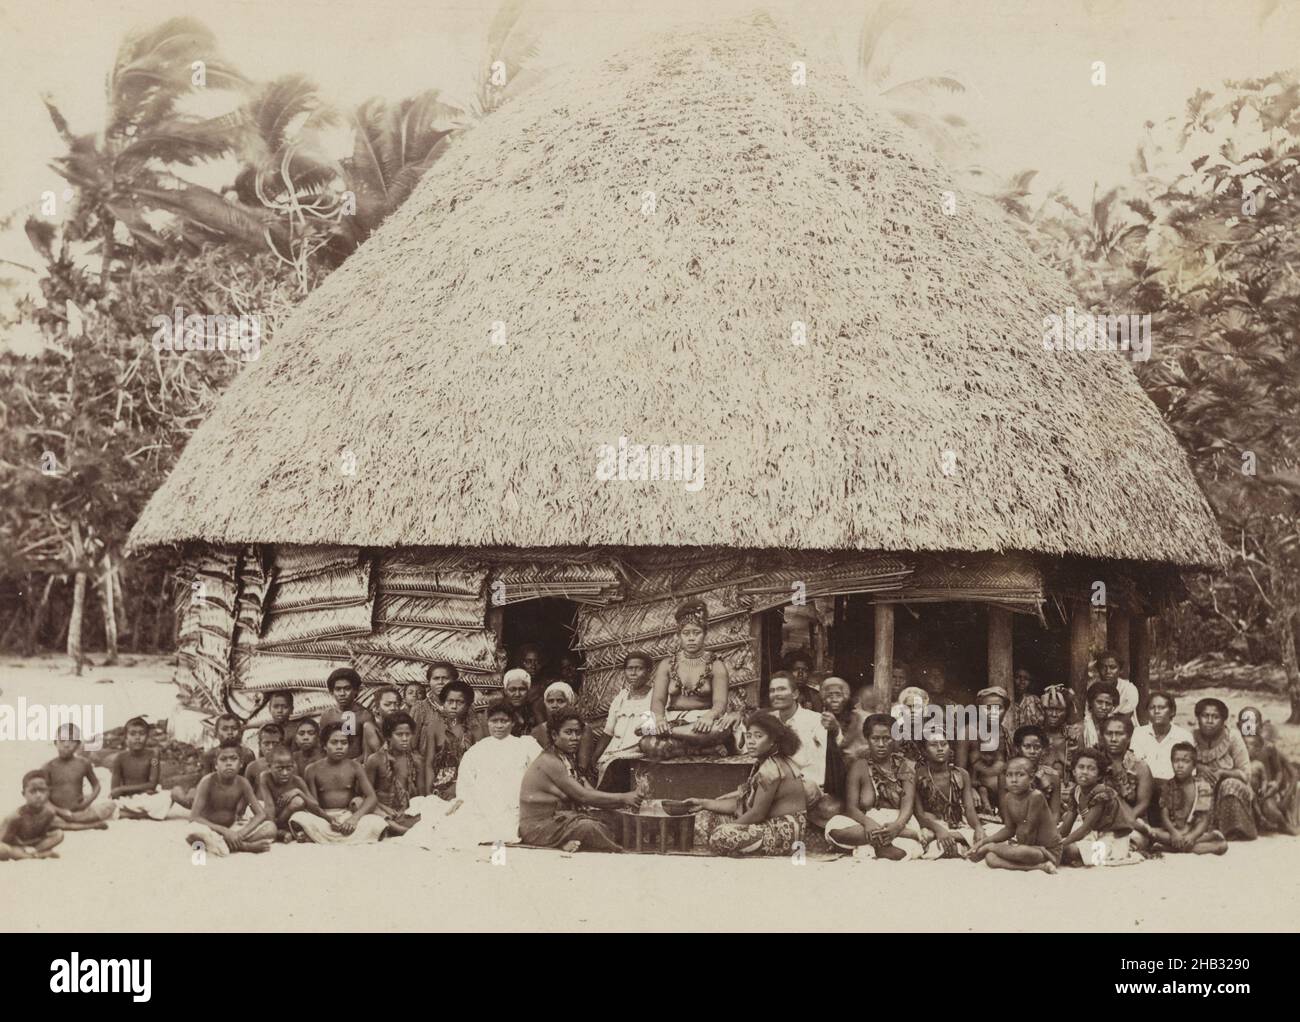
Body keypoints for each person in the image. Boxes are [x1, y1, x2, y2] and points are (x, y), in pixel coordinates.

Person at [408, 700, 543, 851]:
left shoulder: (524, 745)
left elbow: (540, 772)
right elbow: (466, 784)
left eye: (504, 721)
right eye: (494, 721)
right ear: (488, 723)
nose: (499, 725)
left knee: (505, 830)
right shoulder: (477, 750)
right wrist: (471, 802)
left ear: (512, 723)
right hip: (483, 802)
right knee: (462, 827)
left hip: (514, 801)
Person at [518, 708, 640, 852]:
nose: (575, 738)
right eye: (568, 732)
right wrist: (624, 798)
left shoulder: (566, 757)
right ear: (554, 735)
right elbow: (583, 796)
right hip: (539, 828)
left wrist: (619, 805)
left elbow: (589, 791)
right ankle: (621, 851)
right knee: (590, 827)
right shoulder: (550, 761)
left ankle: (568, 842)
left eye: (577, 732)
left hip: (558, 820)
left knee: (615, 820)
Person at [688, 712, 808, 857]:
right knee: (707, 817)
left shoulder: (770, 770)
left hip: (785, 832)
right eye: (749, 735)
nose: (751, 741)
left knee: (720, 835)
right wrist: (703, 803)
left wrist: (729, 827)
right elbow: (742, 803)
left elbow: (757, 813)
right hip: (767, 824)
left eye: (758, 736)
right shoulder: (764, 763)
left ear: (773, 741)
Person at [640, 599, 736, 759]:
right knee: (645, 743)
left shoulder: (716, 664)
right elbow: (657, 700)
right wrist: (659, 718)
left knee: (719, 730)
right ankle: (703, 749)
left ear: (705, 634)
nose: (691, 638)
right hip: (674, 720)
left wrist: (709, 716)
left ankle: (673, 739)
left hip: (703, 723)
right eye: (686, 633)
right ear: (678, 636)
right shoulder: (667, 664)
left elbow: (720, 703)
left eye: (696, 633)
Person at [823, 714, 924, 860]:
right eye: (875, 739)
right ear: (867, 739)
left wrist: (897, 827)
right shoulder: (859, 766)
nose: (881, 744)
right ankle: (884, 843)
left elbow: (907, 808)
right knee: (834, 829)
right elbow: (851, 808)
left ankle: (875, 843)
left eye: (887, 738)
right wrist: (868, 823)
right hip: (866, 823)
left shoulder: (905, 766)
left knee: (905, 849)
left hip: (899, 822)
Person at [293, 722, 388, 844]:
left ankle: (315, 837)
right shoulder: (312, 769)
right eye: (334, 742)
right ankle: (338, 836)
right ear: (324, 746)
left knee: (376, 822)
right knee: (299, 818)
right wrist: (328, 819)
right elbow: (313, 805)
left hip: (347, 814)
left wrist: (354, 819)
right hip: (323, 817)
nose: (339, 747)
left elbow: (371, 797)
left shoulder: (355, 766)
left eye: (344, 743)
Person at [969, 756, 1060, 873]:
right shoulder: (1008, 798)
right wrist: (984, 841)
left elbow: (1028, 831)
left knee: (1018, 851)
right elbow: (1009, 829)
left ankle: (991, 848)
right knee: (990, 858)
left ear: (1031, 778)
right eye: (1009, 775)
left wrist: (993, 846)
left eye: (1020, 775)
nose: (1014, 780)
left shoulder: (1036, 796)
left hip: (1047, 851)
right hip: (1025, 847)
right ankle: (1039, 867)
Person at [186, 741, 277, 856]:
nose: (228, 763)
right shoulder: (207, 782)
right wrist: (224, 831)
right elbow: (194, 817)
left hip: (233, 829)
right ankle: (244, 846)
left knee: (270, 828)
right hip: (210, 828)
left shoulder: (242, 782)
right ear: (215, 764)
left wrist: (239, 834)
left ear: (241, 764)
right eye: (223, 759)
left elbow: (260, 814)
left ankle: (225, 844)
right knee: (193, 833)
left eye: (233, 759)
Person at [1058, 747, 1142, 867]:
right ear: (1074, 771)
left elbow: (1085, 828)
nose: (1085, 772)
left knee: (1069, 850)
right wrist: (1051, 840)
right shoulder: (1075, 791)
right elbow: (1066, 827)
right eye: (1081, 767)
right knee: (1058, 845)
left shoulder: (1102, 793)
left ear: (1099, 776)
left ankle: (1083, 858)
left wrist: (1060, 845)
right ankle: (1079, 857)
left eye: (1091, 769)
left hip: (1112, 838)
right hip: (1094, 834)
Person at [1146, 742, 1228, 855]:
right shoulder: (1167, 786)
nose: (1180, 765)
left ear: (1194, 765)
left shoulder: (1202, 786)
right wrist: (1174, 832)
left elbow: (1204, 819)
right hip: (1172, 832)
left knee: (1222, 846)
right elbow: (1164, 816)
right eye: (1176, 761)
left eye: (1185, 761)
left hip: (1194, 831)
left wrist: (1192, 836)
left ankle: (1170, 848)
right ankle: (1190, 845)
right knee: (1150, 832)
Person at [1192, 697, 1256, 841]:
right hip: (1202, 785)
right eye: (1205, 716)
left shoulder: (1232, 737)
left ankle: (1233, 830)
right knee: (1200, 784)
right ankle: (1202, 828)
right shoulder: (1191, 737)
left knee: (1229, 785)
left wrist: (1223, 773)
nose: (1209, 721)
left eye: (1215, 717)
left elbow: (1245, 773)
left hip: (1231, 786)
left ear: (1223, 720)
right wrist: (1200, 767)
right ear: (1198, 718)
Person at [914, 736, 986, 859]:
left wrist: (978, 828)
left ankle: (953, 837)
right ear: (924, 751)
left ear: (950, 748)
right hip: (933, 825)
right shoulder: (917, 776)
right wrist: (939, 830)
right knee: (928, 837)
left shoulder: (962, 774)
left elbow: (969, 810)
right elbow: (919, 815)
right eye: (933, 745)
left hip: (958, 824)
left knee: (991, 833)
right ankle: (955, 840)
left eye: (944, 744)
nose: (940, 749)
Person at [366, 711, 437, 833]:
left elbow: (421, 795)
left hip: (408, 811)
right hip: (383, 810)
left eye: (408, 734)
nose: (404, 739)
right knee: (359, 803)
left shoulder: (416, 760)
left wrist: (411, 810)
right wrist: (386, 809)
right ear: (388, 736)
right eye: (399, 734)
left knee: (433, 805)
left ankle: (401, 827)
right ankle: (396, 827)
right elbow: (366, 795)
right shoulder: (375, 760)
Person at [592, 651, 656, 783]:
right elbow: (607, 733)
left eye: (639, 668)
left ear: (649, 672)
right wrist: (593, 759)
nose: (633, 673)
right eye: (630, 669)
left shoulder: (655, 697)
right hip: (613, 753)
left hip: (637, 753)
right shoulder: (620, 698)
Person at [172, 713, 254, 808]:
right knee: (188, 796)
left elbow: (250, 785)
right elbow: (206, 782)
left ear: (240, 732)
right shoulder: (209, 755)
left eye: (234, 728)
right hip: (215, 796)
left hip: (239, 797)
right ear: (216, 733)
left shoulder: (247, 754)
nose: (230, 732)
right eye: (225, 729)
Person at [1238, 707, 1298, 834]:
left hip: (1264, 792)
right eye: (1245, 722)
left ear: (1261, 725)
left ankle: (1283, 824)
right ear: (1238, 725)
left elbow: (1279, 771)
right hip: (1244, 790)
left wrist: (1275, 785)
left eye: (1253, 722)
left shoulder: (1269, 747)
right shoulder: (1235, 746)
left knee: (1271, 810)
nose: (1249, 726)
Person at [43, 722, 116, 823]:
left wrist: (87, 801)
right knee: (45, 815)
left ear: (78, 744)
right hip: (57, 811)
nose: (66, 744)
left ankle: (74, 819)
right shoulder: (48, 767)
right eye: (62, 740)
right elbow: (43, 795)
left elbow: (96, 785)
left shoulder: (83, 763)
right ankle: (78, 821)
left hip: (80, 809)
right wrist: (59, 811)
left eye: (72, 741)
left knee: (110, 804)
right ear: (55, 742)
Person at [764, 672, 826, 790]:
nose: (776, 694)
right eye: (772, 690)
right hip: (774, 785)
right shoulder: (768, 720)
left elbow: (823, 762)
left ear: (795, 694)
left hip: (807, 786)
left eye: (781, 689)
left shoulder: (816, 721)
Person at [257, 746, 330, 839]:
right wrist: (271, 825)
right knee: (255, 807)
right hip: (273, 814)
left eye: (289, 768)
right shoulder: (265, 777)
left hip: (288, 817)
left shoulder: (297, 781)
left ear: (293, 766)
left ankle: (281, 831)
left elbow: (315, 805)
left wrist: (298, 792)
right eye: (279, 768)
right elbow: (269, 805)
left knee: (298, 802)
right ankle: (278, 831)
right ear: (269, 767)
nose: (285, 773)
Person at [110, 717, 173, 820]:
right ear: (126, 737)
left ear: (147, 736)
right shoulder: (120, 758)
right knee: (110, 804)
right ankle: (144, 814)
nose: (137, 737)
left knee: (167, 797)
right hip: (127, 798)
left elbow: (152, 784)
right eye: (133, 734)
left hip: (146, 797)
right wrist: (121, 791)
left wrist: (122, 789)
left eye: (142, 733)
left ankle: (130, 814)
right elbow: (114, 790)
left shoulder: (154, 756)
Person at [430, 679, 483, 797]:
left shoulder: (475, 729)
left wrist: (457, 787)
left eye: (460, 702)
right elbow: (428, 764)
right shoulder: (434, 728)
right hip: (439, 787)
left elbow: (480, 764)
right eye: (450, 701)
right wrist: (428, 792)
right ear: (443, 703)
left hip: (467, 784)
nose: (454, 706)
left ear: (468, 704)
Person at [1101, 714, 1153, 833]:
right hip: (1098, 820)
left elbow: (1143, 803)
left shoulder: (1140, 767)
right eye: (1109, 734)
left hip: (1132, 820)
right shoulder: (1095, 763)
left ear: (1129, 737)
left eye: (1119, 734)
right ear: (1102, 736)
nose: (1113, 739)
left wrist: (1125, 819)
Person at [818, 676, 867, 805]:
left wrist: (836, 729)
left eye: (838, 695)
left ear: (845, 697)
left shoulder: (856, 718)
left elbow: (855, 749)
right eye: (829, 695)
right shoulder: (819, 718)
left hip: (851, 771)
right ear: (824, 699)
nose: (834, 699)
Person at [1130, 692, 1192, 790]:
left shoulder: (1184, 736)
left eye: (1162, 707)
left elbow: (1189, 773)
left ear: (1172, 711)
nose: (1156, 711)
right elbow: (1134, 767)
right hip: (1144, 789)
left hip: (1174, 789)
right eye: (1152, 708)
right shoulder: (1139, 733)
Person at [1, 772, 69, 859]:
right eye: (33, 791)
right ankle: (37, 855)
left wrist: (36, 845)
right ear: (24, 794)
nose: (38, 795)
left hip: (35, 844)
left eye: (42, 790)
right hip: (17, 846)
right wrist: (20, 846)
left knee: (59, 834)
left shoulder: (49, 813)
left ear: (48, 792)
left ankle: (33, 852)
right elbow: (3, 841)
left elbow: (42, 834)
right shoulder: (15, 817)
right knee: (3, 850)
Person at [319, 668, 380, 759]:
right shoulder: (327, 716)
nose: (342, 693)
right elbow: (322, 747)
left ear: (355, 690)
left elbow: (370, 750)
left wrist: (353, 765)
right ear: (332, 692)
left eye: (347, 688)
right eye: (338, 689)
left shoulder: (364, 715)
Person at [1013, 725, 1062, 821]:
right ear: (1017, 748)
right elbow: (1005, 813)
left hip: (1044, 825)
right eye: (1027, 747)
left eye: (1037, 747)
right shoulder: (1007, 774)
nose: (1032, 751)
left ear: (1043, 750)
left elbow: (1055, 813)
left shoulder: (1053, 776)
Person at [410, 664, 450, 759]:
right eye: (436, 678)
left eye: (445, 678)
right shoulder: (420, 708)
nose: (440, 682)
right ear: (429, 682)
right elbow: (411, 745)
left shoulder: (466, 708)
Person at [1095, 650, 1139, 721]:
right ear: (1098, 669)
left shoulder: (1129, 689)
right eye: (1103, 667)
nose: (1108, 672)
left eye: (1112, 667)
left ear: (1120, 670)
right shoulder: (1093, 689)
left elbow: (1124, 718)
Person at [502, 668, 540, 738]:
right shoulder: (497, 712)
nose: (517, 694)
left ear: (528, 691)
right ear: (505, 691)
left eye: (522, 689)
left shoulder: (533, 711)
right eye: (512, 689)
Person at [243, 723, 284, 788]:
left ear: (282, 745)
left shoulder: (290, 766)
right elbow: (247, 793)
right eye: (266, 743)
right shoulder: (252, 767)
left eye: (275, 743)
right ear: (259, 745)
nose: (271, 747)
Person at [1081, 682, 1119, 748]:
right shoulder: (1083, 727)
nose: (1104, 707)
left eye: (1108, 703)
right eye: (1099, 702)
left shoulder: (1115, 726)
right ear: (1091, 702)